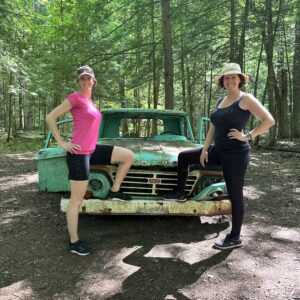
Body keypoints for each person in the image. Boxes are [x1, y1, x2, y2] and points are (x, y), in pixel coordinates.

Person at [162, 63, 275, 250]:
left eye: (233, 77)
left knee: (235, 195)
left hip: (236, 154)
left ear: (240, 79)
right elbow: (213, 126)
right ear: (223, 81)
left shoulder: (245, 99)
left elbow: (269, 120)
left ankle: (235, 237)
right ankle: (180, 193)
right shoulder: (220, 101)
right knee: (184, 157)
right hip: (218, 151)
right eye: (226, 78)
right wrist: (205, 148)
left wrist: (247, 136)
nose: (230, 80)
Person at [46, 66, 134, 256]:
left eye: (88, 78)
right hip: (78, 154)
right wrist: (62, 142)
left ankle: (114, 191)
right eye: (82, 79)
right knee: (76, 200)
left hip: (92, 150)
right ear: (79, 82)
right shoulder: (75, 98)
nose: (85, 81)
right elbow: (50, 117)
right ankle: (74, 242)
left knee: (128, 156)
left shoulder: (90, 102)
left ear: (94, 81)